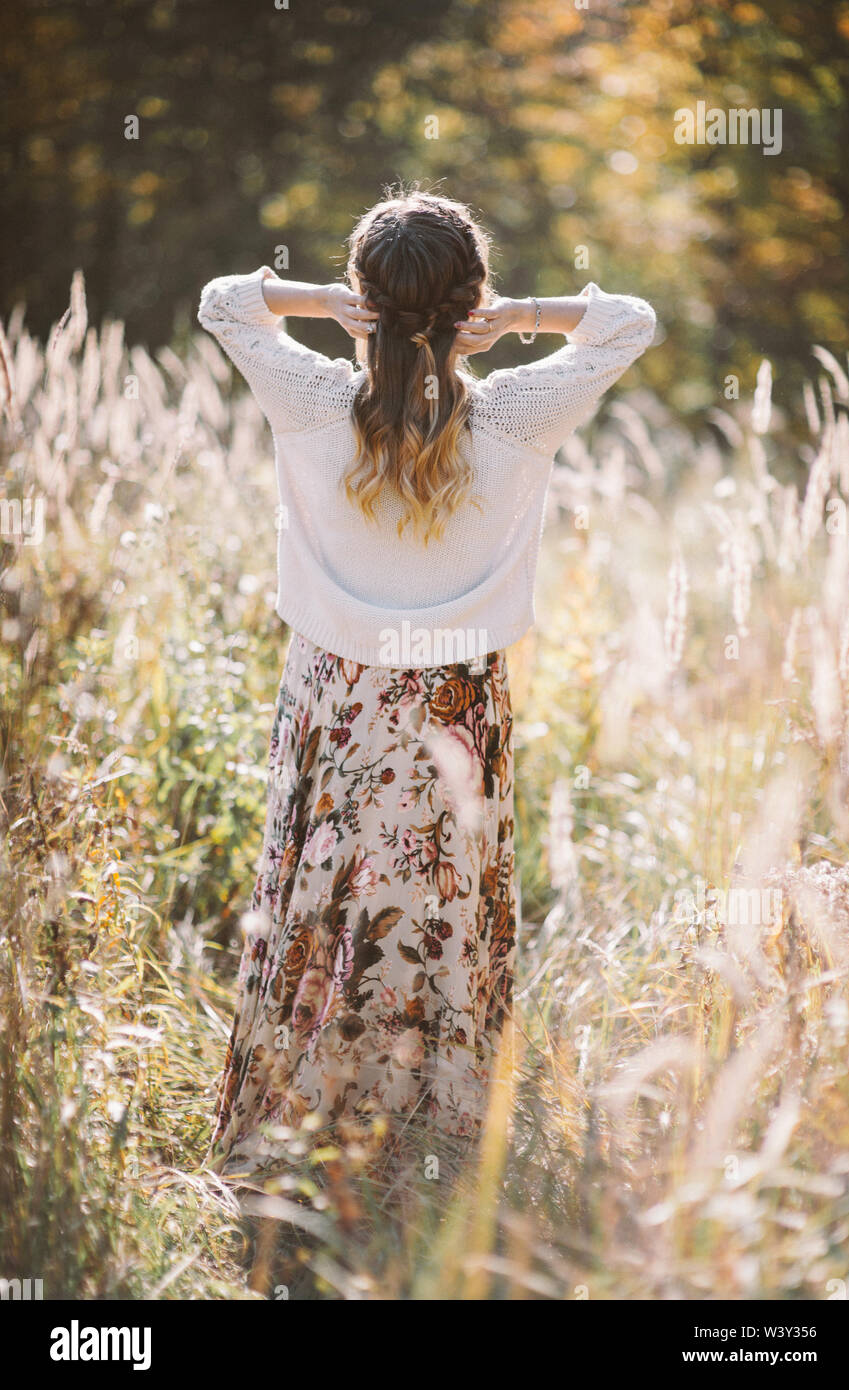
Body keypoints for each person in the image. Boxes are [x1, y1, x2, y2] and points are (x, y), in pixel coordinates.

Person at [197, 187, 656, 1177]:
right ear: (472, 302)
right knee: (442, 906)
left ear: (368, 301)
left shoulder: (309, 398)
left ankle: (306, 1127)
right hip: (456, 706)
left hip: (334, 699)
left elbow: (224, 301)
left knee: (326, 900)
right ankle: (432, 1137)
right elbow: (632, 321)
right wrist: (521, 319)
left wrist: (328, 301)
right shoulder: (521, 415)